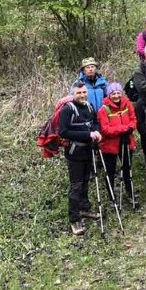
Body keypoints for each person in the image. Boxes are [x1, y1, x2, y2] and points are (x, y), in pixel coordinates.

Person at [60, 81, 103, 235]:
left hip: (88, 151)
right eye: (79, 93)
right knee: (76, 185)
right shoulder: (68, 110)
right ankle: (74, 219)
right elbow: (63, 132)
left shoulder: (89, 106)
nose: (82, 95)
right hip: (75, 153)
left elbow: (95, 122)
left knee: (86, 181)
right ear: (73, 94)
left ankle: (84, 209)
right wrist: (88, 134)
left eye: (84, 92)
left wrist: (96, 132)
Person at [97, 82, 138, 209]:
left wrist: (130, 128)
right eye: (113, 93)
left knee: (127, 168)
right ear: (109, 95)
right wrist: (123, 129)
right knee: (110, 171)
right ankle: (112, 197)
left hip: (126, 141)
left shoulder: (127, 104)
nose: (116, 96)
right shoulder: (103, 110)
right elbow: (105, 130)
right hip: (110, 145)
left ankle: (130, 192)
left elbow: (133, 120)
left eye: (118, 93)